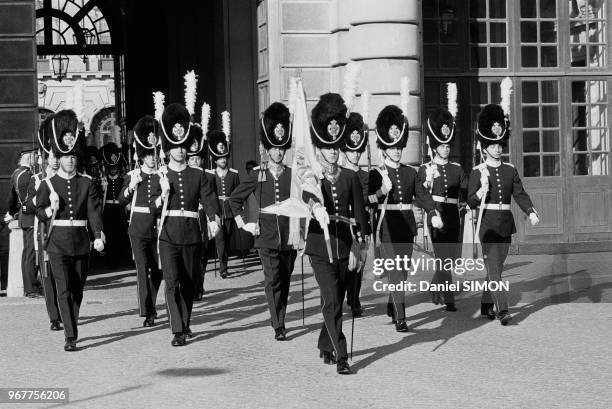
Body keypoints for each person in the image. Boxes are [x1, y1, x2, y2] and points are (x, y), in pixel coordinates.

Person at [304, 93, 370, 374]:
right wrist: (315, 205)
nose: (332, 151)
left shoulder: (349, 175)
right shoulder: (312, 173)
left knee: (337, 300)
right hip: (319, 247)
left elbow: (360, 213)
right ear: (319, 146)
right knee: (332, 299)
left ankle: (324, 342)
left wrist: (361, 245)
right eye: (327, 147)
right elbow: (306, 192)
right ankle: (342, 355)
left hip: (344, 244)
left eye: (335, 147)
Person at [35, 109, 105, 351]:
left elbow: (94, 212)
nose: (70, 160)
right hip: (57, 243)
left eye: (73, 157)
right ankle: (70, 335)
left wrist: (98, 235)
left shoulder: (87, 182)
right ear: (59, 158)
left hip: (81, 241)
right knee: (63, 289)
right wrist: (48, 210)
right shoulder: (48, 184)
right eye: (65, 157)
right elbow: (39, 210)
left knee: (77, 290)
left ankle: (71, 321)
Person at [227, 102, 297, 341]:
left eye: (281, 147)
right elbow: (234, 200)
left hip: (288, 235)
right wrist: (244, 224)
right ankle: (278, 323)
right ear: (267, 148)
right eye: (274, 147)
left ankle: (281, 314)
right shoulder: (258, 173)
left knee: (285, 280)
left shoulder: (292, 174)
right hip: (265, 235)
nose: (278, 152)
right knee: (272, 279)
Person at [153, 103, 220, 347]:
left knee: (189, 283)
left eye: (183, 147)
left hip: (192, 235)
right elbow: (152, 207)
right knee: (172, 282)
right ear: (168, 148)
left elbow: (209, 200)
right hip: (168, 234)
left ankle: (186, 321)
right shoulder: (161, 175)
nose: (180, 151)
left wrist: (213, 220)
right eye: (175, 147)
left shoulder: (199, 174)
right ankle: (178, 330)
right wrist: (161, 195)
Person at [467, 103, 539, 325]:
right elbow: (470, 201)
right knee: (496, 271)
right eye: (493, 145)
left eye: (500, 144)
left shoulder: (510, 169)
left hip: (505, 226)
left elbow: (519, 193)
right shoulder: (478, 172)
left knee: (494, 269)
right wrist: (480, 191)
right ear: (484, 147)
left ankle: (486, 304)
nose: (498, 148)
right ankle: (503, 310)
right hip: (487, 226)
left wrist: (530, 210)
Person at [368, 105, 437, 332]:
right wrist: (381, 191)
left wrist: (433, 212)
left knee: (403, 271)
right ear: (384, 148)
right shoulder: (377, 173)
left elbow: (422, 194)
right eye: (391, 146)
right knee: (396, 270)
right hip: (386, 226)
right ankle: (401, 316)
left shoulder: (410, 172)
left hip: (406, 227)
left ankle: (392, 303)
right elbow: (367, 201)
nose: (396, 150)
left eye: (399, 146)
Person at [416, 106, 467, 312]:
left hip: (454, 216)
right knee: (443, 256)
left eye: (448, 145)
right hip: (435, 215)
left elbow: (466, 190)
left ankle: (435, 286)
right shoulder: (426, 168)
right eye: (442, 145)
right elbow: (419, 195)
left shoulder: (457, 168)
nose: (446, 149)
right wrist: (427, 183)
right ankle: (449, 298)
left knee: (450, 258)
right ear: (435, 146)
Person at [120, 115, 163, 327]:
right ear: (142, 156)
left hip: (157, 229)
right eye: (148, 155)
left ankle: (152, 303)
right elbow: (121, 199)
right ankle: (147, 311)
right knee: (142, 269)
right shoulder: (133, 175)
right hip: (137, 228)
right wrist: (131, 186)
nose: (152, 159)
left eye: (154, 154)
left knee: (158, 271)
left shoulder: (162, 175)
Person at [27, 116, 62, 330]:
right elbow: (31, 207)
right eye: (52, 157)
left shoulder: (66, 177)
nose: (56, 160)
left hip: (64, 233)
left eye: (58, 156)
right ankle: (54, 317)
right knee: (48, 276)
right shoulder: (36, 179)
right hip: (44, 232)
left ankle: (66, 309)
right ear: (45, 158)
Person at [339, 112, 370, 317]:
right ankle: (345, 297)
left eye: (358, 151)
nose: (356, 155)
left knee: (359, 263)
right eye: (352, 151)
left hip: (361, 222)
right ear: (345, 151)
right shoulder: (340, 173)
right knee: (344, 264)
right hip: (344, 222)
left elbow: (368, 200)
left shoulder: (366, 175)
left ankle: (355, 299)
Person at [5, 148, 42, 297]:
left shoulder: (16, 173)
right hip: (31, 215)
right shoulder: (28, 175)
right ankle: (32, 288)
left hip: (23, 215)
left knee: (28, 252)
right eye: (34, 156)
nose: (36, 158)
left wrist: (12, 211)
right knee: (31, 253)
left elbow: (11, 199)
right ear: (27, 158)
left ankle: (30, 286)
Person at [206, 126, 240, 279]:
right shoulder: (211, 175)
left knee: (227, 239)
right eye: (220, 158)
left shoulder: (234, 174)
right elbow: (209, 194)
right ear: (215, 159)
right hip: (218, 209)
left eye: (224, 158)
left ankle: (224, 262)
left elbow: (238, 193)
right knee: (219, 239)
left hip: (230, 210)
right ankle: (223, 268)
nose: (223, 160)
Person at [186, 124, 212, 301]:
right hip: (188, 222)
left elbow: (212, 199)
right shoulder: (184, 176)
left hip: (203, 221)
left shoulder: (208, 176)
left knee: (203, 256)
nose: (195, 162)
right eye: (192, 159)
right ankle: (191, 286)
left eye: (198, 159)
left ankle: (199, 284)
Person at [101, 143, 130, 266]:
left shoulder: (123, 179)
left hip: (120, 209)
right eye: (111, 168)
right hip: (107, 209)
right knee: (109, 235)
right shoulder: (104, 180)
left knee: (121, 234)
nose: (113, 169)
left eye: (115, 167)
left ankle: (122, 258)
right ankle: (111, 260)